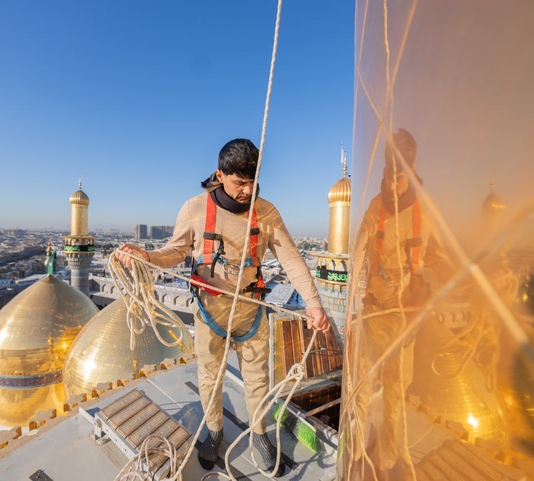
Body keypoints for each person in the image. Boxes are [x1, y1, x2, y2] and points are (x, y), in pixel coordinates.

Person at [116, 138, 331, 476]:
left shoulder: (267, 212)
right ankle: (214, 430)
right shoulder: (195, 209)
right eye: (239, 182)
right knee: (210, 376)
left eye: (253, 181)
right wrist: (147, 257)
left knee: (258, 378)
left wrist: (314, 305)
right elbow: (175, 252)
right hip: (210, 310)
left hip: (250, 308)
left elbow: (291, 259)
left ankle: (259, 435)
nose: (248, 190)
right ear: (220, 175)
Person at [349, 128, 453, 481]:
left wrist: (425, 287)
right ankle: (357, 452)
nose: (392, 187)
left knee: (395, 395)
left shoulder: (427, 211)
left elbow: (443, 261)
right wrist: (352, 301)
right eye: (387, 178)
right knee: (360, 388)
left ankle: (389, 460)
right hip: (374, 310)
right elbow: (358, 250)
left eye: (398, 179)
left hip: (404, 318)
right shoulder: (376, 207)